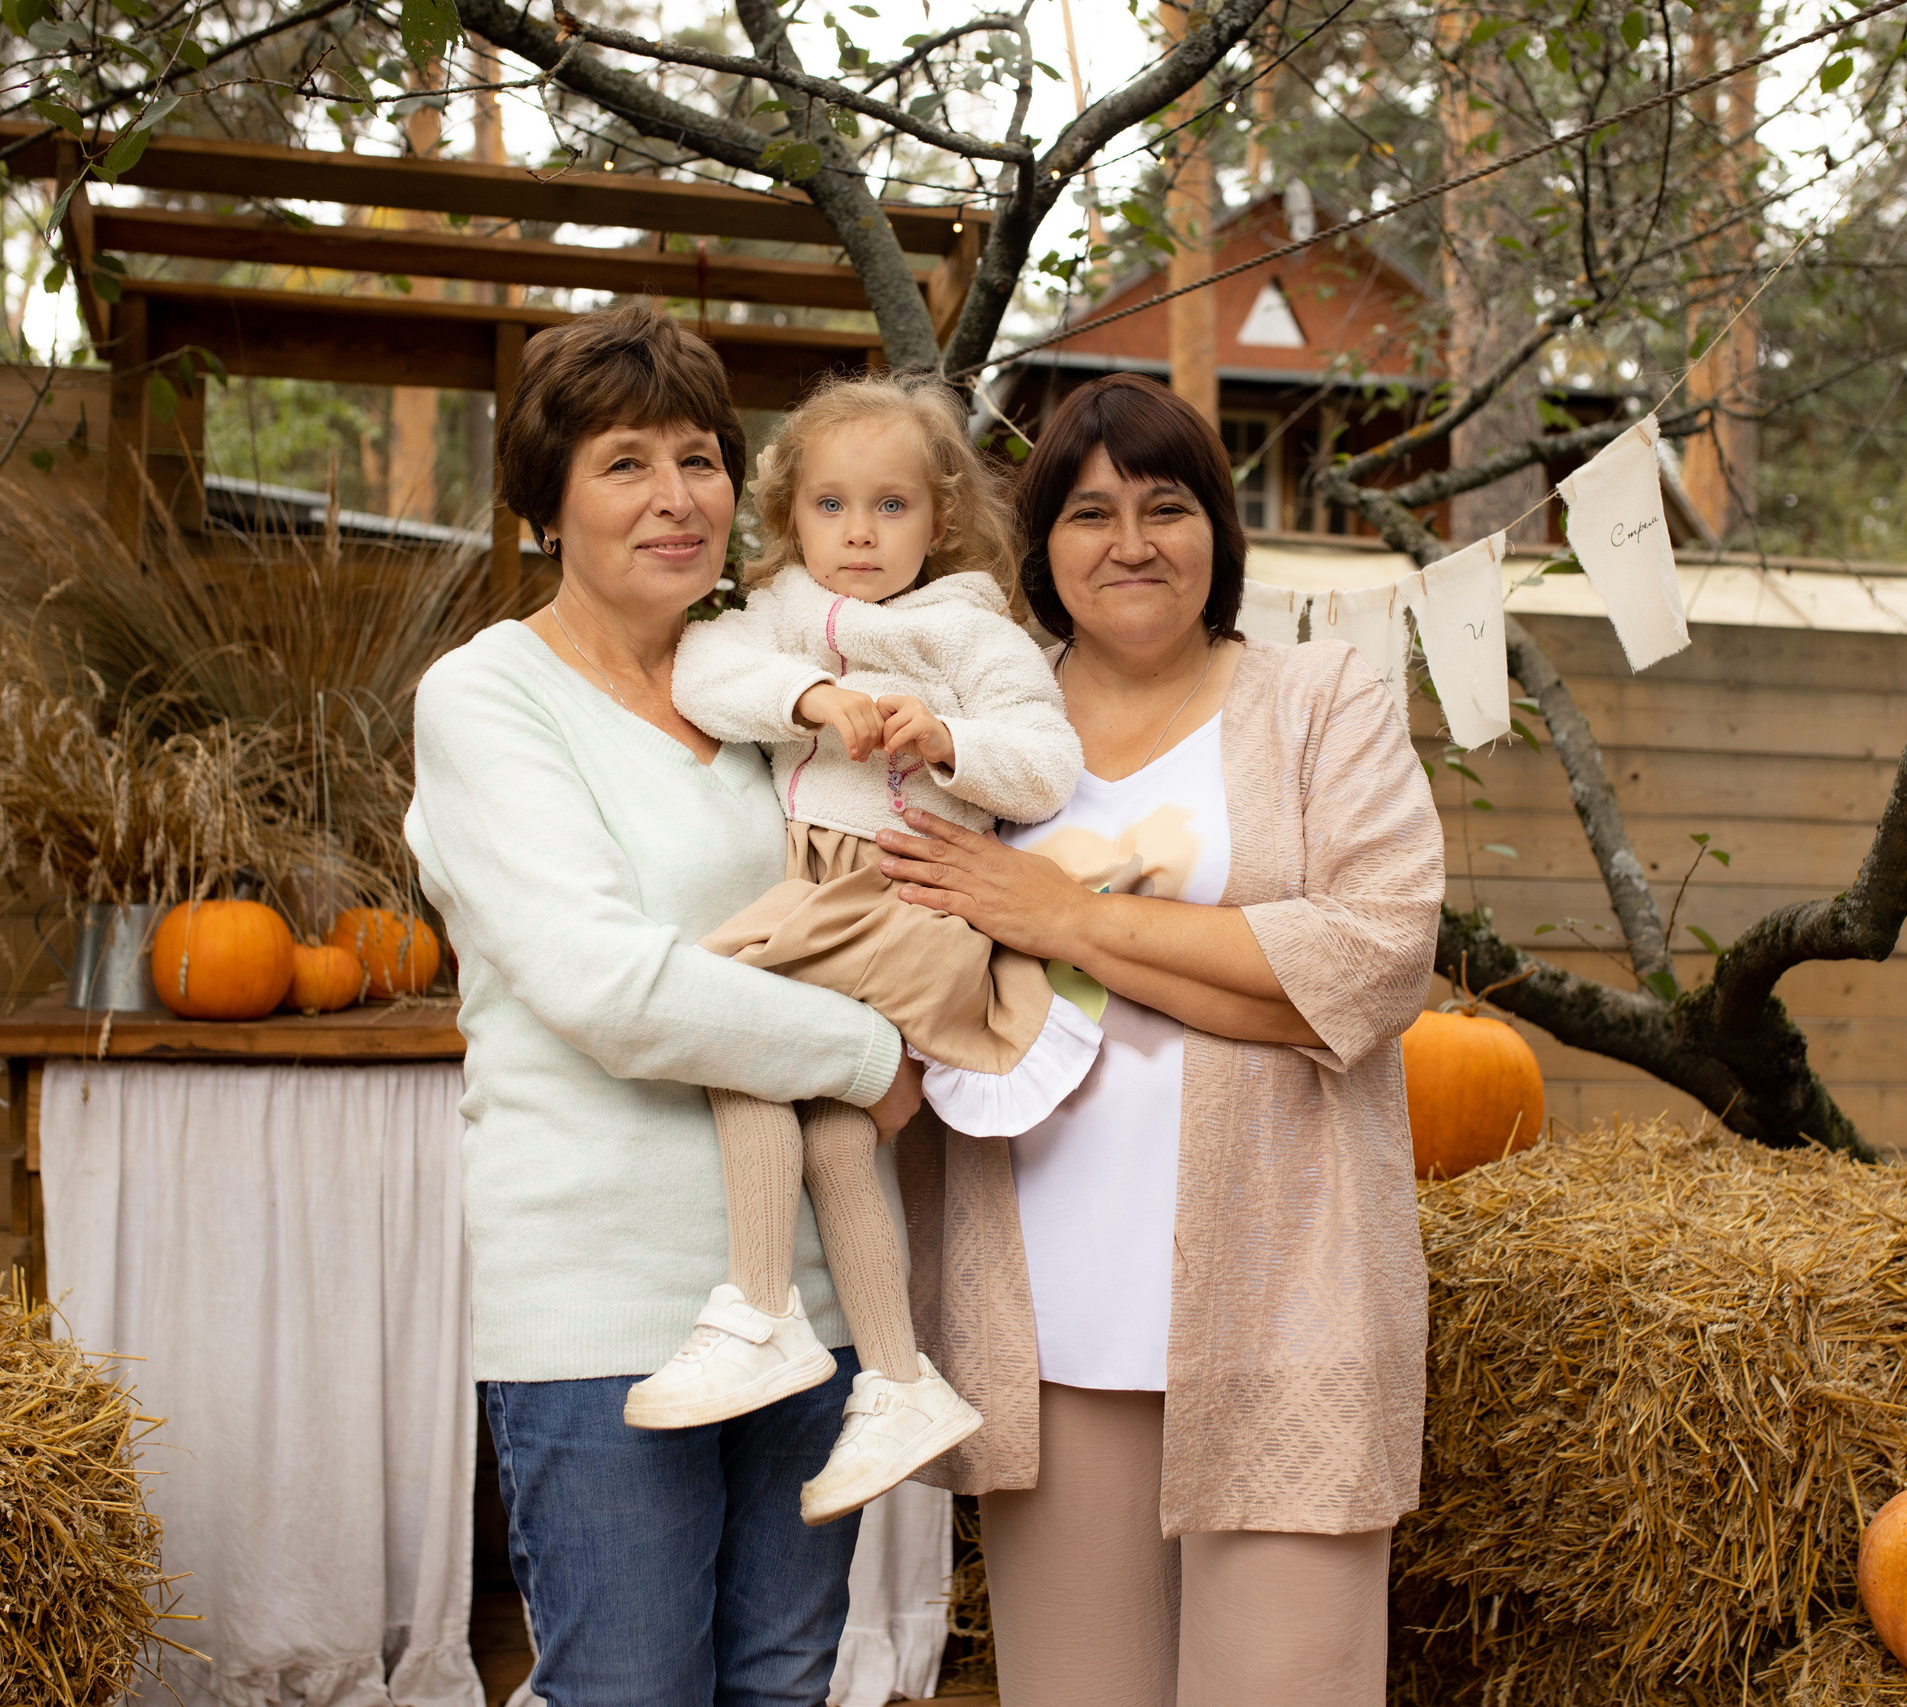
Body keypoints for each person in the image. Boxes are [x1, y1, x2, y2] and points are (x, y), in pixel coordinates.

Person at [874, 373, 1443, 1707]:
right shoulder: (984, 736)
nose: (1130, 540)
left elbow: (1367, 964)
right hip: (1051, 1321)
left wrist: (1061, 916)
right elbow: (917, 961)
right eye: (1088, 512)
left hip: (1285, 1299)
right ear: (1042, 547)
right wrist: (1248, 970)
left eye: (1166, 505)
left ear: (1218, 534)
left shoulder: (1319, 698)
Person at [403, 306, 927, 1707]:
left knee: (779, 1682)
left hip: (803, 1292)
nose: (676, 496)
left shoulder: (764, 694)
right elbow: (609, 985)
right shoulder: (488, 697)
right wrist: (876, 1052)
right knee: (629, 1689)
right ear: (548, 497)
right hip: (607, 1305)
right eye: (624, 463)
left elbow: (870, 897)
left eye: (698, 458)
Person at [630, 373, 1100, 1524]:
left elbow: (1046, 758)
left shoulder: (971, 634)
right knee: (835, 1127)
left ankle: (757, 1307)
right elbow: (703, 669)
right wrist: (807, 699)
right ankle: (897, 1380)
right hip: (830, 894)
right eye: (830, 507)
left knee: (729, 1025)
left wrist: (950, 740)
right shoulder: (778, 617)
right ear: (792, 518)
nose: (857, 534)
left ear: (937, 521)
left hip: (904, 897)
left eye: (889, 508)